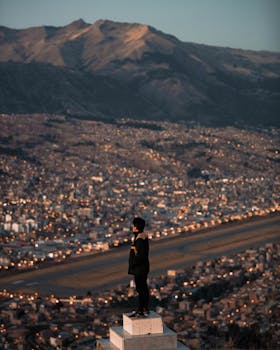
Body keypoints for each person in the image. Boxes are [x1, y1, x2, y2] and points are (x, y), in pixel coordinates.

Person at [128, 217, 150, 317]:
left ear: (136, 227)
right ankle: (144, 308)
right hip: (142, 268)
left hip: (139, 269)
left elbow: (140, 255)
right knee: (143, 289)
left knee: (141, 289)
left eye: (133, 225)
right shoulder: (141, 237)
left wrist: (133, 263)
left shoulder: (140, 239)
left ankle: (141, 309)